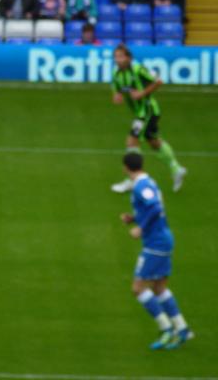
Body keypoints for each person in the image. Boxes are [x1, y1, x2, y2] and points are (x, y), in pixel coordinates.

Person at [118, 152, 193, 350]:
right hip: (162, 240)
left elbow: (155, 208)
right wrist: (133, 219)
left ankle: (167, 329)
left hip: (155, 243)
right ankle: (182, 329)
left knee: (138, 288)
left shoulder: (141, 186)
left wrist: (140, 227)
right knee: (159, 288)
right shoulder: (148, 182)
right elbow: (150, 208)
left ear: (126, 168)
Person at [110, 45, 187, 194]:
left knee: (132, 141)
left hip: (147, 111)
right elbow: (116, 87)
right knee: (154, 142)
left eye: (121, 56)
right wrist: (116, 94)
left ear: (129, 58)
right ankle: (177, 169)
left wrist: (142, 93)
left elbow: (158, 81)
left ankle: (132, 180)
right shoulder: (116, 73)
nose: (118, 60)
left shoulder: (138, 69)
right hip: (139, 112)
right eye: (116, 57)